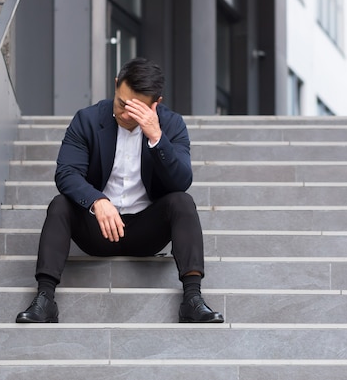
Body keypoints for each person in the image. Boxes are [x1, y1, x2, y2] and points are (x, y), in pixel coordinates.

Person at [16, 57, 224, 324]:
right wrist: (97, 200)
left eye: (135, 110)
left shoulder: (171, 126)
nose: (125, 114)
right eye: (121, 103)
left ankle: (192, 300)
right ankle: (44, 299)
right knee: (60, 204)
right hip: (98, 229)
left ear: (155, 104)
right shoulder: (88, 120)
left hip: (146, 231)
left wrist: (156, 138)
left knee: (183, 202)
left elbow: (181, 181)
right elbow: (66, 173)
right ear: (116, 85)